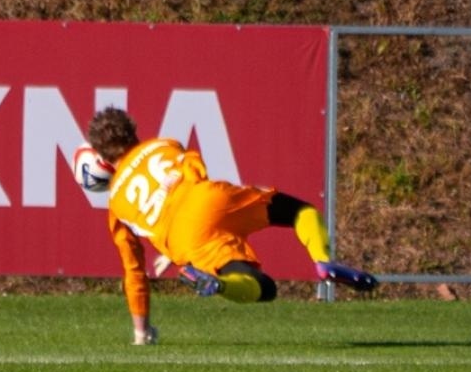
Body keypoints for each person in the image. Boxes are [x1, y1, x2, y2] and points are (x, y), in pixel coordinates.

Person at [83, 106, 377, 345]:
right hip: (207, 199)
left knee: (263, 287)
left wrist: (141, 332)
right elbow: (194, 167)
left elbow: (134, 272)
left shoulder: (116, 207)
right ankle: (323, 261)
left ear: (102, 155)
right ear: (132, 129)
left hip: (182, 239)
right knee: (299, 210)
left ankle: (219, 284)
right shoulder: (163, 144)